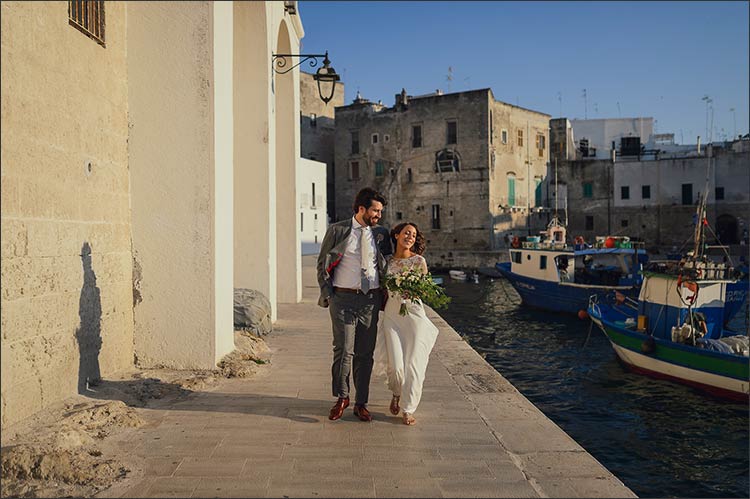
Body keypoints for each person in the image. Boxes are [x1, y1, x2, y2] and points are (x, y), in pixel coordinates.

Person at [316, 187, 392, 422]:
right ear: (362, 209)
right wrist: (329, 294)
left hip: (370, 300)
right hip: (343, 299)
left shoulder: (380, 234)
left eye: (380, 211)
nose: (378, 215)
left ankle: (361, 403)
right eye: (375, 210)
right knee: (343, 350)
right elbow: (322, 264)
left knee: (365, 354)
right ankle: (342, 397)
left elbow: (388, 264)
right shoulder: (338, 230)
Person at [375, 222, 439, 425]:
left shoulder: (419, 261)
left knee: (413, 364)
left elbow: (426, 290)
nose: (410, 237)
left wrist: (413, 289)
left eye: (413, 234)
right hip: (392, 315)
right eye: (406, 233)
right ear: (396, 235)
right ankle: (396, 392)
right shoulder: (386, 262)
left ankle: (408, 408)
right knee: (396, 365)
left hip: (414, 315)